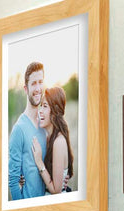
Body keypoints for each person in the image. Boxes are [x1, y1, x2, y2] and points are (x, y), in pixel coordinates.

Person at [9, 62, 47, 200]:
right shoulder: (19, 129)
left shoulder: (46, 124)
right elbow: (13, 182)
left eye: (40, 82)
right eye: (33, 83)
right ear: (26, 88)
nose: (38, 88)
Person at [31, 86, 74, 195]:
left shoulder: (59, 142)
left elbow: (56, 190)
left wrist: (39, 162)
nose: (40, 111)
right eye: (41, 106)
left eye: (45, 106)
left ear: (55, 111)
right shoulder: (47, 138)